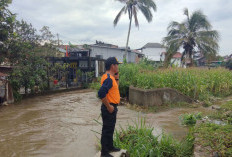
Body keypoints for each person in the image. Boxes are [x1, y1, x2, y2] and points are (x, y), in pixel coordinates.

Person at [98, 57, 121, 157]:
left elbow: (114, 90)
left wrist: (117, 78)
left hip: (111, 107)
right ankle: (104, 153)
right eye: (117, 65)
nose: (118, 66)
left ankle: (110, 147)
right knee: (107, 130)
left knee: (110, 129)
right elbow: (101, 93)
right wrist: (109, 107)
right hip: (109, 108)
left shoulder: (110, 77)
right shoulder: (108, 79)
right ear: (113, 66)